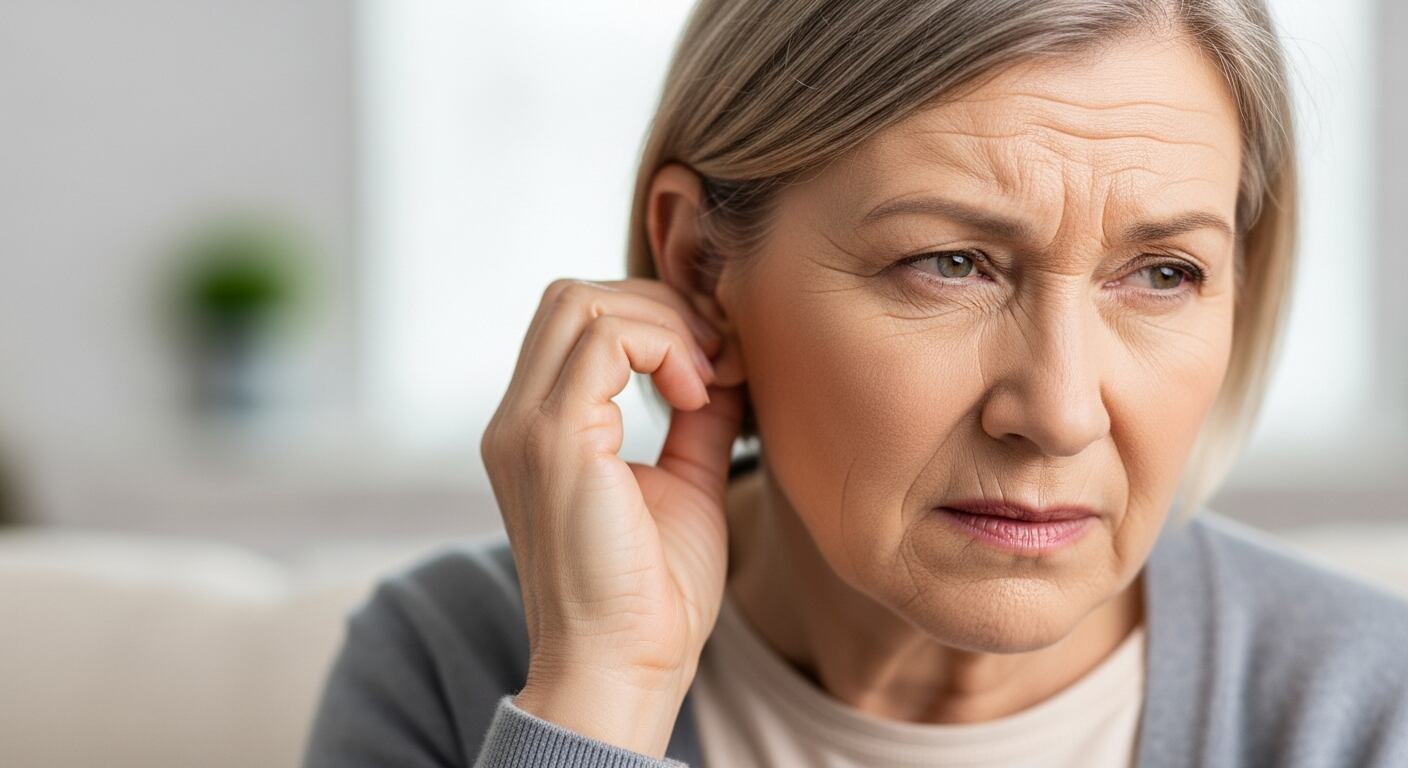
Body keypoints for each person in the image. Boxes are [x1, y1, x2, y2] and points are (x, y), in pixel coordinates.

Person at [304, 1, 1408, 766]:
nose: (1060, 410)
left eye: (1163, 274)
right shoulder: (457, 664)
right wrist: (604, 696)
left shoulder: (1367, 714)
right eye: (949, 264)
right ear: (701, 268)